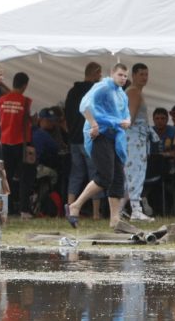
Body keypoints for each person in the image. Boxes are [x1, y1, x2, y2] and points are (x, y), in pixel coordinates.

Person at [65, 63, 131, 228]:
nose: (123, 78)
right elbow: (84, 106)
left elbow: (126, 114)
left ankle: (115, 220)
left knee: (118, 178)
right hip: (98, 134)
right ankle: (75, 205)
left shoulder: (121, 94)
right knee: (105, 176)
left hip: (114, 135)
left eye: (125, 76)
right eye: (120, 75)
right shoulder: (102, 87)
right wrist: (94, 125)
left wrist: (127, 122)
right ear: (112, 73)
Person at [65, 62, 104, 219]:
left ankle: (69, 207)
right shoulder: (94, 91)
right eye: (100, 75)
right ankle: (95, 213)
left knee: (76, 174)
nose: (101, 78)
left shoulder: (72, 91)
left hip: (74, 139)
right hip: (89, 138)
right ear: (95, 73)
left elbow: (66, 114)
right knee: (95, 174)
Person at [123, 63, 155, 221]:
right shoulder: (134, 92)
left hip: (136, 137)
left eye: (146, 74)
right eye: (141, 74)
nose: (144, 77)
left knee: (130, 173)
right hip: (135, 138)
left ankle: (121, 209)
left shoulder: (134, 91)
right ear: (133, 75)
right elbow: (130, 118)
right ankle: (136, 209)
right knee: (135, 172)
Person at [0, 71, 33, 216]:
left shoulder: (1, 100)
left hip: (4, 142)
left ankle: (7, 208)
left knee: (6, 177)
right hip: (20, 143)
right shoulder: (25, 101)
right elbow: (26, 123)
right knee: (25, 177)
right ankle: (24, 210)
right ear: (25, 85)